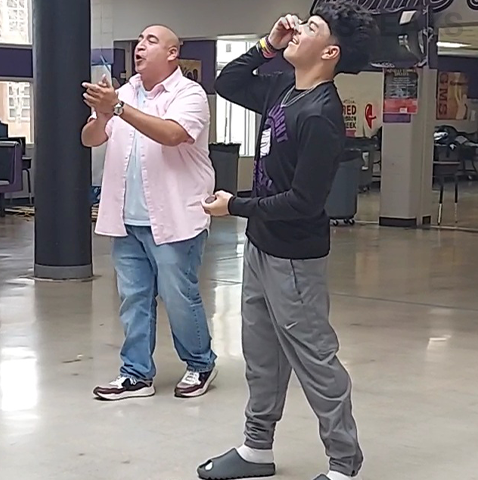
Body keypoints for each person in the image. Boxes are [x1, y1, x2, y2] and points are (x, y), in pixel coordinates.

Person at [198, 2, 377, 480]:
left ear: (330, 52)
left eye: (311, 28)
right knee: (261, 356)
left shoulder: (321, 115)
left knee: (315, 359)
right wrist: (268, 44)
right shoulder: (283, 89)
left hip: (294, 257)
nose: (299, 29)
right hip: (261, 245)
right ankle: (257, 448)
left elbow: (304, 202)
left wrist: (235, 206)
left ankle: (343, 464)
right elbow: (228, 82)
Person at [81, 25, 217, 401]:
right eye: (139, 40)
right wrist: (102, 115)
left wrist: (117, 109)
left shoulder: (189, 94)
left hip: (174, 218)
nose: (140, 46)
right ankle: (136, 374)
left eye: (151, 41)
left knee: (179, 297)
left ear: (172, 53)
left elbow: (172, 135)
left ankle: (200, 363)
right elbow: (90, 138)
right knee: (133, 298)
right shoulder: (124, 93)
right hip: (127, 219)